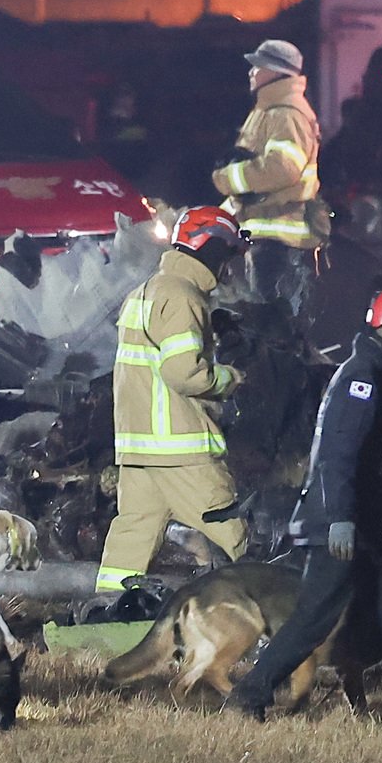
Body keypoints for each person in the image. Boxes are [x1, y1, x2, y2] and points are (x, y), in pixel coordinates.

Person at [223, 291, 382, 721]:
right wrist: (340, 518)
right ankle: (249, 696)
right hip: (337, 525)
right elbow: (340, 455)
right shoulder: (362, 379)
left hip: (363, 525)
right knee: (314, 618)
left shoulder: (373, 376)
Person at [96, 206, 251, 594]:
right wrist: (228, 379)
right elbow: (182, 373)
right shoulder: (183, 297)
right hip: (179, 445)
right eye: (227, 253)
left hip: (139, 445)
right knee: (231, 527)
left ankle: (106, 614)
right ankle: (265, 614)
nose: (228, 266)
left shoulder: (147, 291)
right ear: (211, 248)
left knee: (132, 535)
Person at [212, 39, 329, 315]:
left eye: (258, 66)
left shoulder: (286, 113)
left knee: (272, 326)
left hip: (279, 244)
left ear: (278, 72)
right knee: (260, 322)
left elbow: (281, 169)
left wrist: (227, 178)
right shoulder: (268, 110)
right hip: (264, 238)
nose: (252, 71)